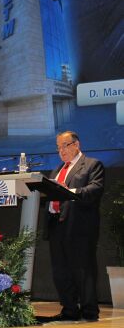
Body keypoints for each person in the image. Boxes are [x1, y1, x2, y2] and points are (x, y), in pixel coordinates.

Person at [42, 130, 105, 322]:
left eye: (65, 145)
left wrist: (71, 191)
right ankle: (69, 309)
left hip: (79, 227)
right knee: (61, 271)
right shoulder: (57, 170)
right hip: (57, 226)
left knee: (82, 270)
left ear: (76, 145)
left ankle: (89, 311)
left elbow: (95, 189)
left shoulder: (92, 165)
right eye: (58, 147)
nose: (61, 150)